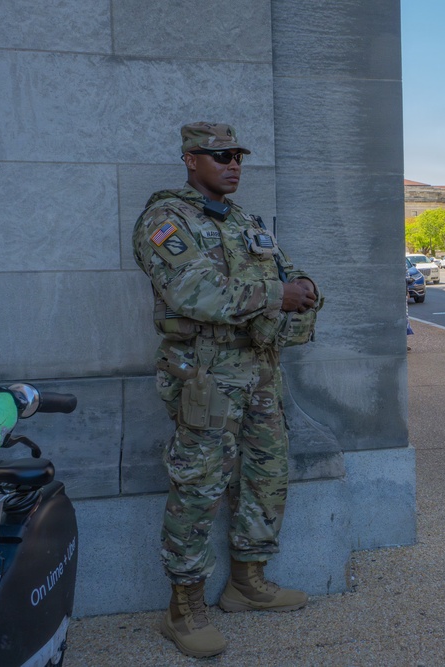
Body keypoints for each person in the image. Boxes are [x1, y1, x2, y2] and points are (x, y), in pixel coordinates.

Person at [132, 122, 322, 658]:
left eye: (237, 154)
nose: (233, 164)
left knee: (266, 472)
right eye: (220, 156)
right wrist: (276, 295)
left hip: (259, 369)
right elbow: (192, 291)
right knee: (198, 483)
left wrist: (304, 287)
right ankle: (184, 606)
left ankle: (247, 581)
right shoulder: (165, 220)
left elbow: (283, 270)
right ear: (192, 160)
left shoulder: (243, 219)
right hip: (206, 374)